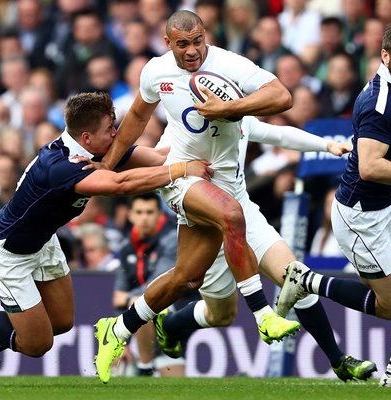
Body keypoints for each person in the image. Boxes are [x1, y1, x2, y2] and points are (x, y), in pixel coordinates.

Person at [0, 91, 213, 386]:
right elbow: (120, 184)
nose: (116, 134)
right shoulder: (60, 166)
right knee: (37, 343)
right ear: (86, 137)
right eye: (110, 129)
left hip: (43, 242)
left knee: (63, 322)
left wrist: (210, 141)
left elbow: (157, 156)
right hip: (7, 251)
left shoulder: (98, 149)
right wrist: (182, 170)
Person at [92, 10, 299, 384]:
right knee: (232, 215)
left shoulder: (230, 64)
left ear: (207, 36)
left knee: (186, 279)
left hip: (225, 185)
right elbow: (138, 116)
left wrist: (229, 108)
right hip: (183, 176)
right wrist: (107, 165)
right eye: (182, 44)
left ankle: (117, 330)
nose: (192, 51)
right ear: (167, 42)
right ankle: (264, 315)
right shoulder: (156, 72)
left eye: (198, 41)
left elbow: (282, 96)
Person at [276, 21, 391, 388]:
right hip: (361, 216)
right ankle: (306, 280)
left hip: (388, 203)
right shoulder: (380, 101)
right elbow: (370, 166)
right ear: (385, 56)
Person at [152, 115, 376, 381]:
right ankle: (170, 324)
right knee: (221, 315)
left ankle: (338, 360)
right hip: (205, 226)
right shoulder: (182, 123)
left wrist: (326, 145)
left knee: (296, 277)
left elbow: (280, 135)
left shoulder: (241, 118)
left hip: (243, 214)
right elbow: (157, 167)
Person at [114, 193, 189, 377]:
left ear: (159, 215)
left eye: (149, 212)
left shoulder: (172, 240)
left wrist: (129, 298)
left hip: (176, 310)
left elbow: (157, 285)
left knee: (142, 302)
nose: (144, 217)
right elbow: (117, 297)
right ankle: (143, 366)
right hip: (142, 318)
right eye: (139, 212)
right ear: (130, 215)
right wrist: (121, 342)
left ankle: (144, 368)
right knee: (114, 358)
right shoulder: (126, 245)